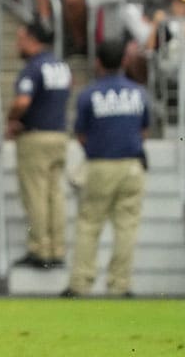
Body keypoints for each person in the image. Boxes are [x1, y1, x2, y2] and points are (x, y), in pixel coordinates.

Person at [63, 41, 150, 297]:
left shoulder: (90, 94)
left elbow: (80, 133)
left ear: (97, 62)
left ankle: (81, 283)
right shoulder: (138, 93)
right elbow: (144, 130)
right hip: (132, 164)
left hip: (100, 163)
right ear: (124, 61)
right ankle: (119, 285)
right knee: (126, 226)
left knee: (89, 224)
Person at [8, 21, 72, 270]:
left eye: (21, 38)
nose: (17, 44)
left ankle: (39, 250)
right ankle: (57, 248)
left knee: (35, 195)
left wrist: (11, 118)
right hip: (58, 135)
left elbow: (23, 101)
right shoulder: (62, 66)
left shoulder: (33, 68)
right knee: (55, 195)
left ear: (33, 39)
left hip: (35, 137)